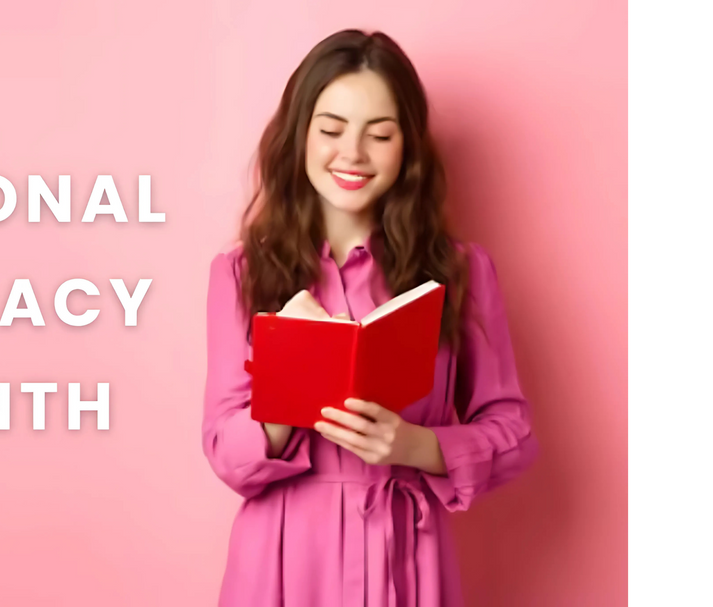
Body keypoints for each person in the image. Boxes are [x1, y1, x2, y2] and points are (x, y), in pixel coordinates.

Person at [202, 29, 538, 607]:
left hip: (407, 554)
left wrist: (416, 447)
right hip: (282, 561)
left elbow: (513, 433)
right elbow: (225, 453)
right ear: (299, 136)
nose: (352, 154)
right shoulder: (241, 273)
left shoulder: (461, 272)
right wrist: (293, 377)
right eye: (331, 130)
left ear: (406, 146)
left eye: (379, 134)